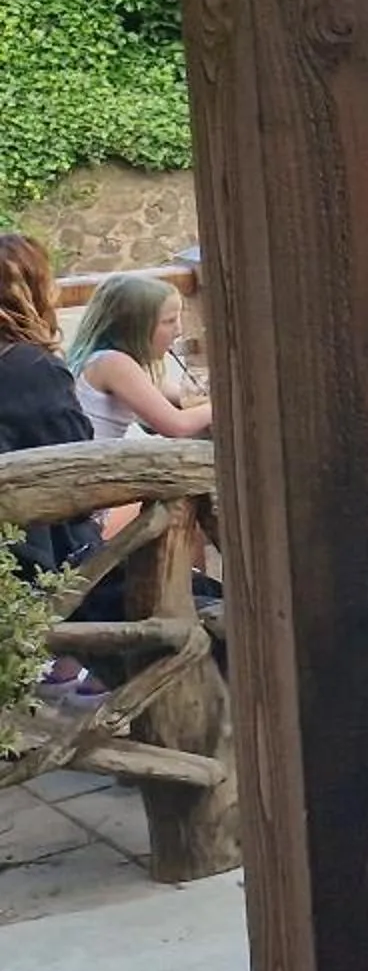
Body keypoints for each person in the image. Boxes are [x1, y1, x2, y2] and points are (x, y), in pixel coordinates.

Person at [1, 235, 102, 707]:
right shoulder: (31, 368)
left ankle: (65, 667)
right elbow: (78, 468)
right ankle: (101, 672)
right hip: (34, 561)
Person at [67, 272, 212, 442]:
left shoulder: (100, 359)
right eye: (169, 321)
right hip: (95, 457)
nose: (179, 330)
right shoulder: (113, 364)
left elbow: (174, 394)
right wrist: (220, 407)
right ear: (135, 327)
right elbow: (177, 425)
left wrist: (198, 396)